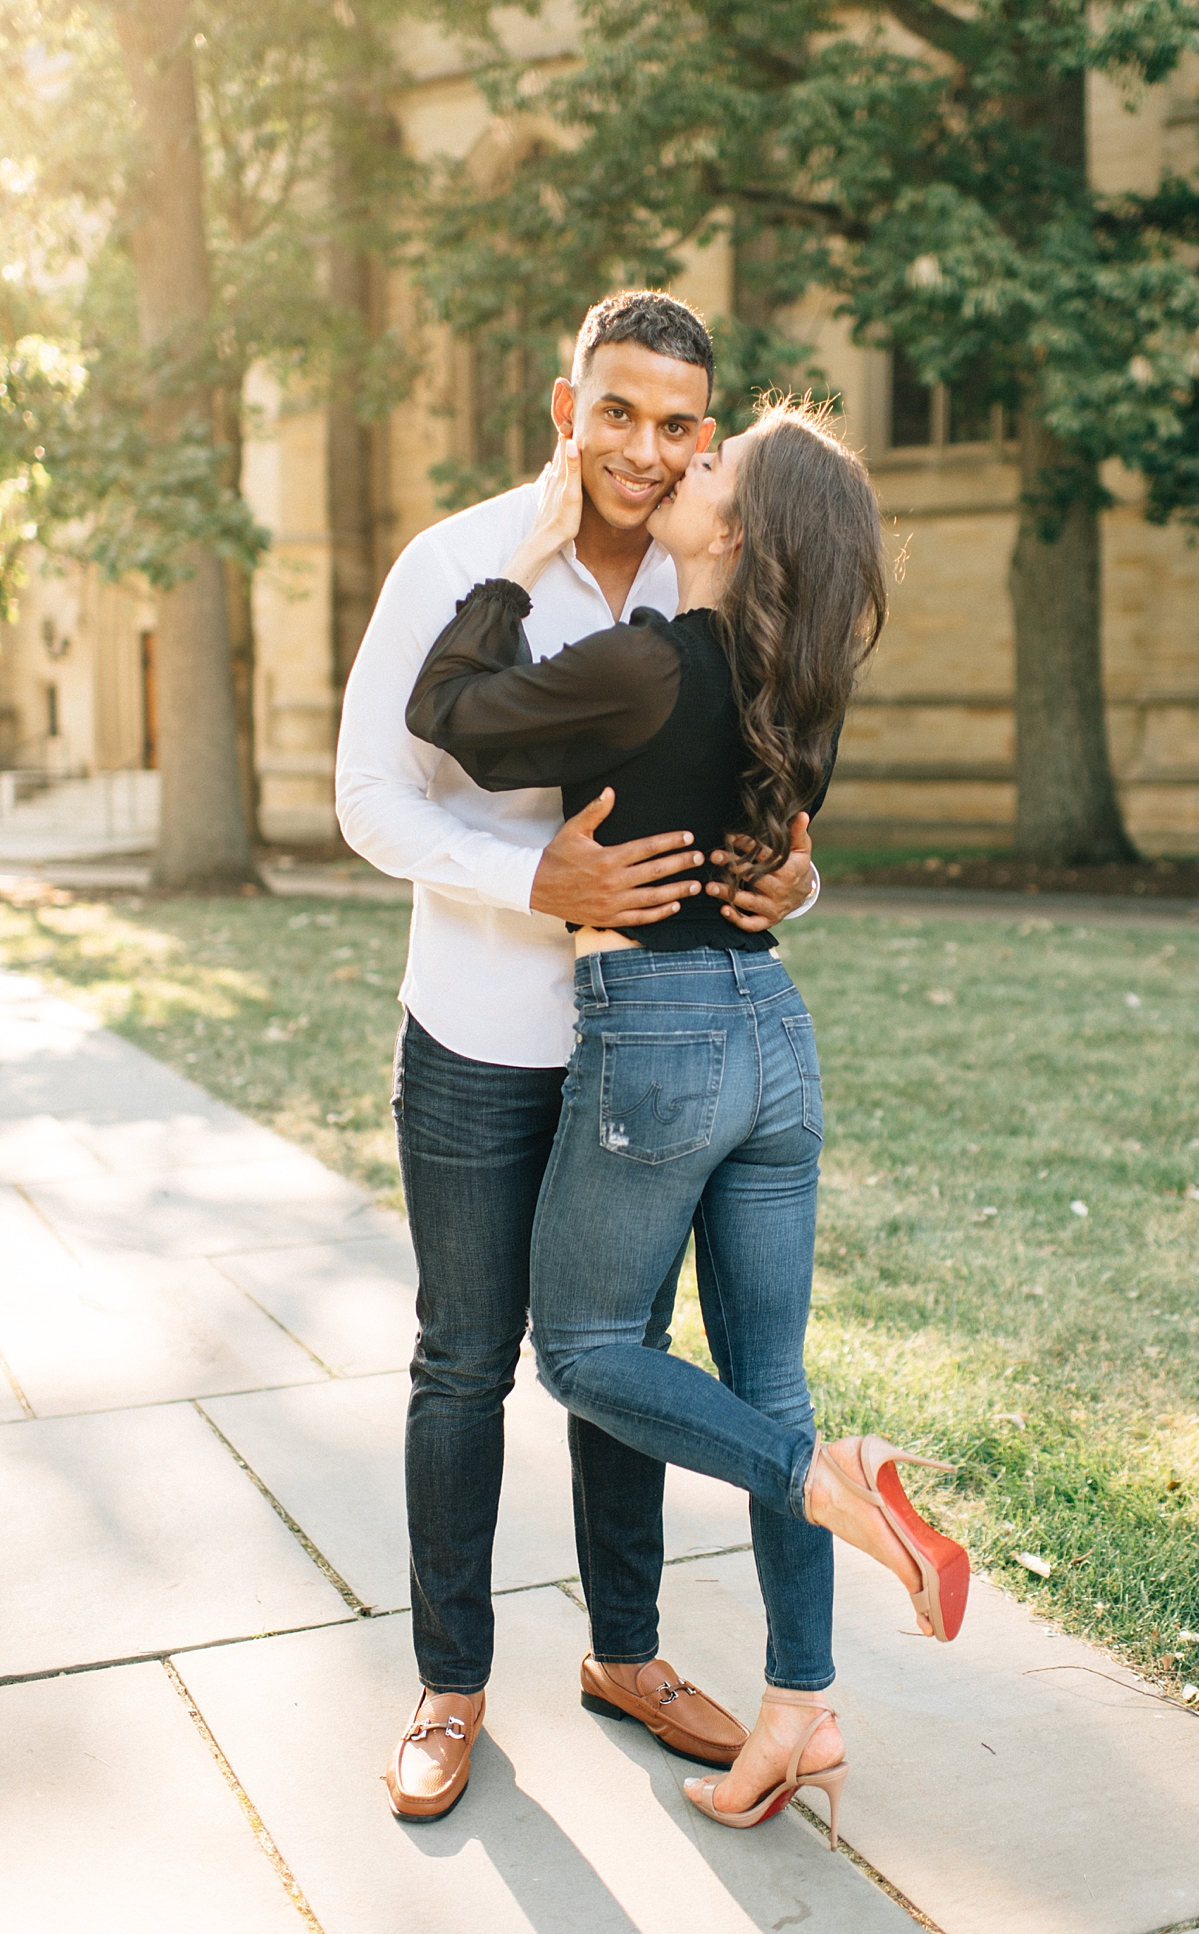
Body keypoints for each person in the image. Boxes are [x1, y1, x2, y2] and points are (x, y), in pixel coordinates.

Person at [405, 397, 971, 1848]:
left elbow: (450, 715)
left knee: (588, 1348)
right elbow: (782, 860)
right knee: (768, 1374)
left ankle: (827, 1486)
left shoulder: (653, 661)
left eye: (709, 462)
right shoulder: (803, 688)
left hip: (658, 1037)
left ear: (734, 531)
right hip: (776, 1036)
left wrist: (510, 563)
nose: (680, 465)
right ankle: (796, 1706)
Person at [335, 291, 821, 1823]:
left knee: (620, 1366)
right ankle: (451, 1683)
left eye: (681, 422)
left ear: (705, 435)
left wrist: (796, 882)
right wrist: (525, 878)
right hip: (484, 1037)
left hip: (648, 1051)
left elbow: (779, 801)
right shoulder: (458, 562)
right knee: (466, 1361)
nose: (647, 446)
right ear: (568, 407)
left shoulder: (717, 584)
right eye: (618, 411)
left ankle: (627, 1650)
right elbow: (367, 794)